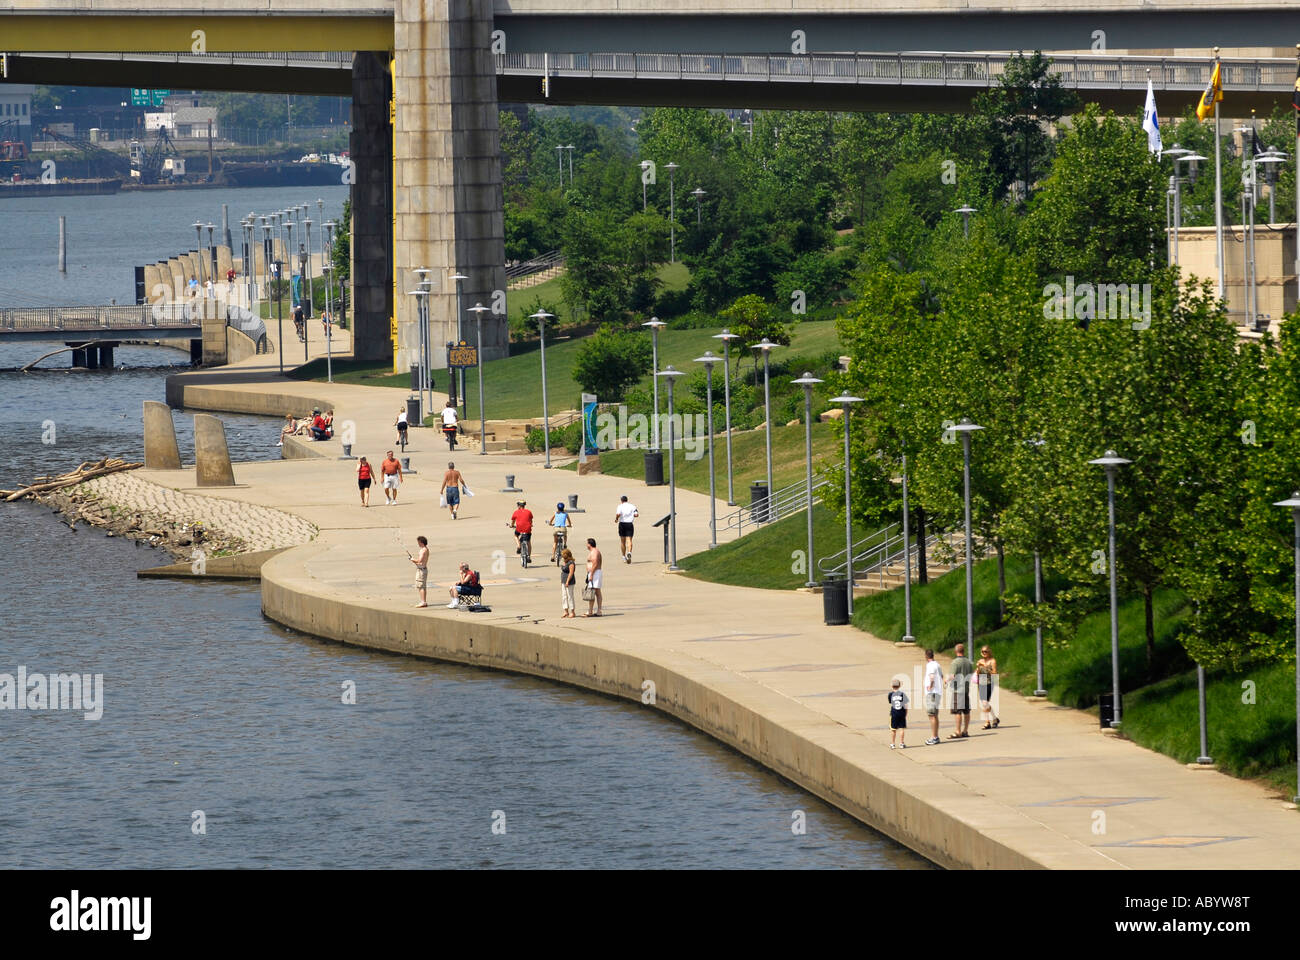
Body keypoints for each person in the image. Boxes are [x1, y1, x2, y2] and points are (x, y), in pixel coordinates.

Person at [947, 643, 975, 740]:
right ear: (963, 651)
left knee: (957, 711)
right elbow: (971, 674)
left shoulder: (955, 662)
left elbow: (952, 676)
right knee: (966, 711)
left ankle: (958, 731)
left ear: (956, 651)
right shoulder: (969, 662)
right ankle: (965, 730)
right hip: (966, 689)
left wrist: (946, 681)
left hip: (958, 690)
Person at [977, 645, 1001, 730]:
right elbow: (978, 673)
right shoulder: (980, 661)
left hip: (990, 682)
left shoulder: (992, 661)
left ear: (989, 652)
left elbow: (994, 673)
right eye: (982, 651)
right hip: (982, 682)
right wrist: (978, 668)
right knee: (984, 703)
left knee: (984, 703)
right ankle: (994, 719)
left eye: (985, 651)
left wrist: (985, 666)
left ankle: (987, 722)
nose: (984, 653)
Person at [923, 648, 944, 745]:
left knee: (931, 715)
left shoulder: (930, 665)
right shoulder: (937, 664)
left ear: (926, 656)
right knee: (935, 715)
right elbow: (942, 677)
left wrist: (930, 686)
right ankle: (936, 736)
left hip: (932, 693)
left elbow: (932, 677)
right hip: (938, 692)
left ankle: (934, 737)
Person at [614, 495, 638, 564]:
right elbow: (636, 514)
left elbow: (618, 514)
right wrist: (630, 515)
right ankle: (629, 552)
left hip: (622, 524)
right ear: (627, 500)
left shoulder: (620, 506)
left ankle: (624, 557)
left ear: (621, 500)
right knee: (629, 540)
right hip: (629, 524)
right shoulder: (632, 506)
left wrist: (616, 519)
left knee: (622, 541)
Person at [508, 500, 533, 565]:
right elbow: (530, 520)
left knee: (516, 535)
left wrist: (512, 525)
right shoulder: (529, 512)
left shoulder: (516, 512)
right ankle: (529, 557)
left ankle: (519, 546)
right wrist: (530, 524)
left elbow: (513, 521)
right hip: (527, 529)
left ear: (519, 506)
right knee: (528, 541)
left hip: (519, 528)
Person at [584, 537, 603, 617]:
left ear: (589, 544)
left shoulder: (595, 552)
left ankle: (592, 611)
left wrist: (591, 574)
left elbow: (595, 563)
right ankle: (595, 610)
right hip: (593, 573)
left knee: (593, 592)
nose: (586, 545)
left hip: (595, 573)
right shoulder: (593, 551)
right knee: (596, 592)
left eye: (587, 543)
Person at [888, 679, 909, 749]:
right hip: (901, 713)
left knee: (893, 729)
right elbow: (906, 705)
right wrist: (906, 713)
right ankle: (901, 743)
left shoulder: (890, 694)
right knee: (902, 728)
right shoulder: (902, 694)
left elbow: (890, 702)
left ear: (892, 686)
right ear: (899, 686)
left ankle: (893, 743)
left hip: (894, 713)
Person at [409, 535, 429, 608]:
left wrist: (412, 559)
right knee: (422, 586)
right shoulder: (426, 549)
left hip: (421, 571)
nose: (418, 543)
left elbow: (419, 560)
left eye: (418, 542)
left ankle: (423, 602)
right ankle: (423, 601)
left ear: (421, 542)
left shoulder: (423, 550)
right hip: (423, 569)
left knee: (421, 587)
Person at [559, 548, 577, 618]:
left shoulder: (571, 563)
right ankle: (566, 611)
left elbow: (571, 573)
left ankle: (572, 612)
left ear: (566, 555)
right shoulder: (566, 562)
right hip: (563, 581)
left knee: (570, 596)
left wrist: (567, 581)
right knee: (564, 596)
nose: (562, 556)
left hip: (569, 582)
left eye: (563, 555)